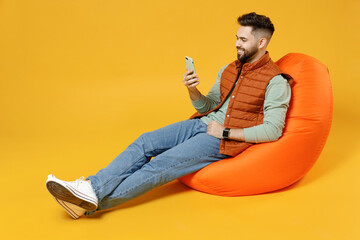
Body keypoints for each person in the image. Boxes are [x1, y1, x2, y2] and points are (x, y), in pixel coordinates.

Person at [46, 12, 292, 219]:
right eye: (236, 38)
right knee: (146, 142)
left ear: (261, 43)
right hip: (200, 123)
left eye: (243, 39)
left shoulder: (276, 81)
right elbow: (209, 106)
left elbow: (273, 130)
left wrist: (224, 132)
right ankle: (90, 188)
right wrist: (193, 89)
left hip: (223, 139)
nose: (237, 43)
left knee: (163, 164)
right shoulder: (229, 68)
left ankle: (91, 202)